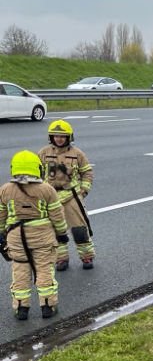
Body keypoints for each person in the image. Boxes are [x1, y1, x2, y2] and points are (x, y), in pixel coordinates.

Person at [0, 151, 69, 320]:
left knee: (20, 271)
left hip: (16, 239)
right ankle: (48, 306)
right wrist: (62, 234)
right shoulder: (47, 189)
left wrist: (2, 233)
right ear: (38, 168)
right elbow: (57, 216)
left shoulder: (5, 190)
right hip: (42, 238)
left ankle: (21, 308)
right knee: (44, 270)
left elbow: (1, 216)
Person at [38, 120, 95, 270]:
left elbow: (87, 172)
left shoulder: (77, 154)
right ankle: (61, 259)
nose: (59, 139)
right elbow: (36, 175)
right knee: (55, 230)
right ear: (51, 137)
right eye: (55, 136)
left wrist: (83, 191)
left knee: (79, 229)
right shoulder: (43, 153)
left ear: (69, 137)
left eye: (62, 136)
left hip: (71, 197)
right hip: (50, 198)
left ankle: (87, 256)